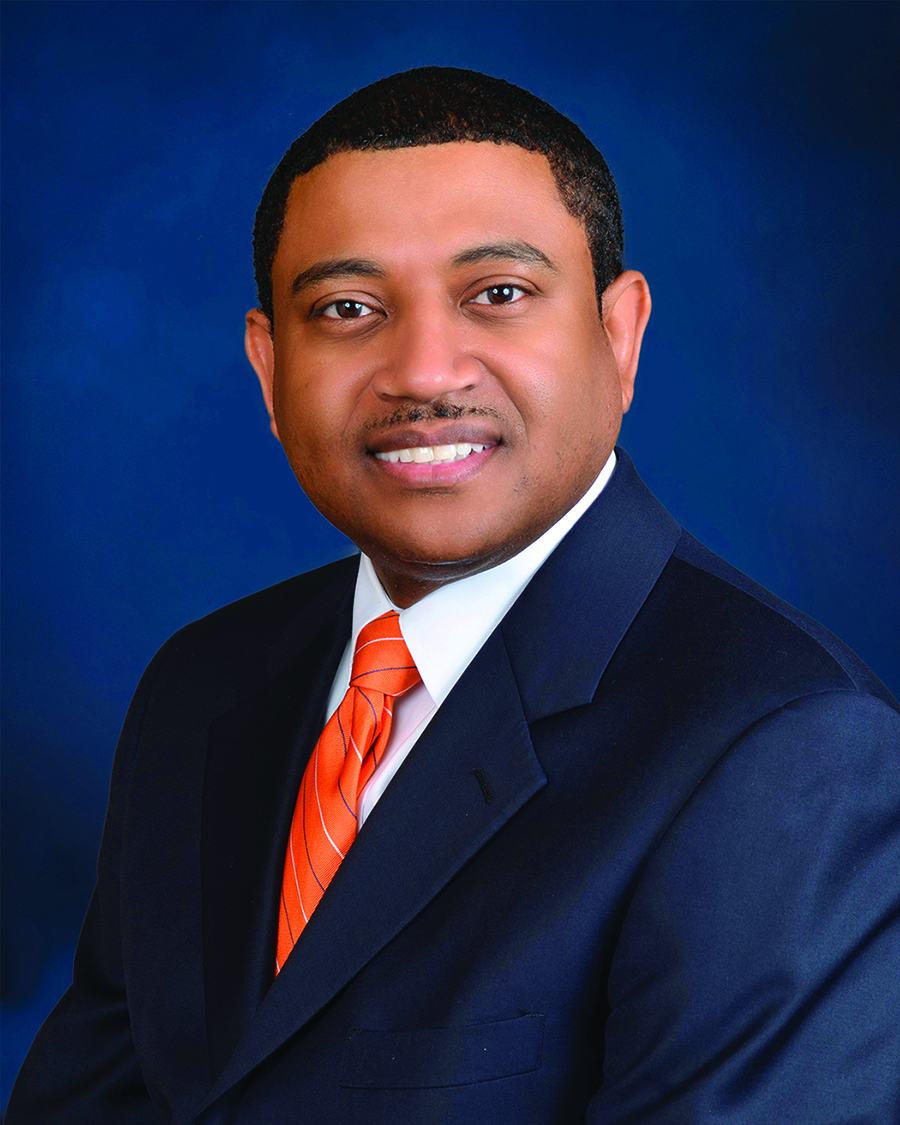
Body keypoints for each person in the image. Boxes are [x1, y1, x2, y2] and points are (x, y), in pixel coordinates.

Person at [7, 66, 899, 1125]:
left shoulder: (790, 749)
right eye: (347, 308)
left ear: (620, 336)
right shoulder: (200, 686)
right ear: (268, 367)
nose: (424, 372)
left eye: (499, 294)